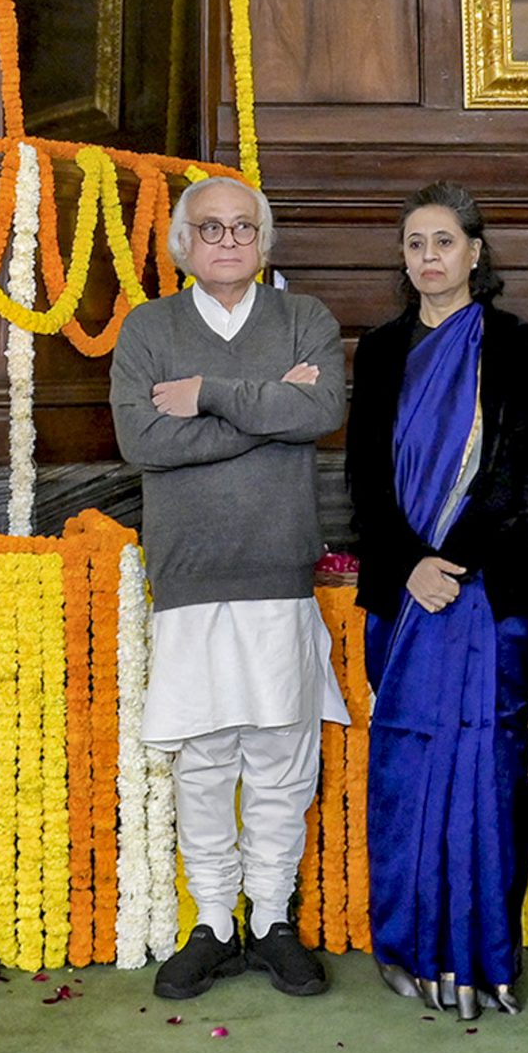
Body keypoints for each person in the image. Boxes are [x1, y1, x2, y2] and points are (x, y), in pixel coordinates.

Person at [109, 175, 347, 1003]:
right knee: (204, 760)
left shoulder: (304, 318)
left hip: (278, 574)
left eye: (244, 227)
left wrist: (208, 397)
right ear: (182, 243)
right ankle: (214, 923)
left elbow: (320, 413)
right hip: (190, 577)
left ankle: (272, 918)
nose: (228, 240)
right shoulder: (149, 328)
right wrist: (267, 414)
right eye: (210, 228)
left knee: (282, 757)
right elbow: (142, 439)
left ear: (264, 241)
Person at [344, 183, 528, 1020]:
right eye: (415, 244)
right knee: (406, 770)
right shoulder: (380, 349)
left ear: (475, 252)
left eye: (443, 242)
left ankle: (482, 952)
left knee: (488, 775)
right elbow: (364, 477)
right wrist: (410, 567)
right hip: (403, 598)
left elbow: (520, 472)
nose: (429, 257)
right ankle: (408, 944)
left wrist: (449, 566)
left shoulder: (515, 344)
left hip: (483, 594)